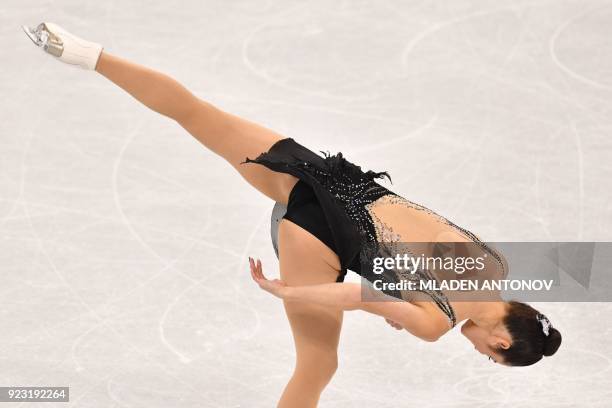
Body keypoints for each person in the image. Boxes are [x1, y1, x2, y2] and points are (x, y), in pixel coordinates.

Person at [23, 22, 562, 408]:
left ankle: (85, 53)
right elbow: (355, 295)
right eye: (492, 359)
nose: (483, 358)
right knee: (318, 363)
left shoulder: (493, 265)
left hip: (328, 180)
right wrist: (291, 293)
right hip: (316, 239)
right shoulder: (435, 324)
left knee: (198, 114)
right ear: (503, 342)